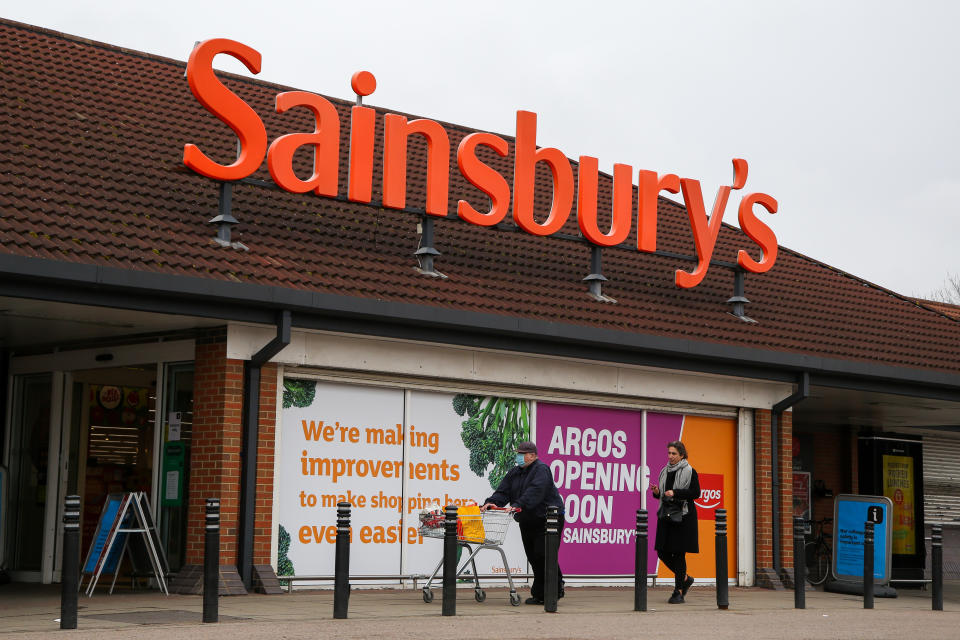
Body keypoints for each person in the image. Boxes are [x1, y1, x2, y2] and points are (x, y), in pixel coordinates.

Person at [482, 440, 565, 604]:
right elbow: (503, 491)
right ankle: (540, 594)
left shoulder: (541, 469)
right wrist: (493, 502)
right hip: (527, 518)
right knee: (533, 556)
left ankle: (553, 591)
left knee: (544, 554)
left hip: (548, 519)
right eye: (518, 453)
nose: (518, 457)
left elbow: (536, 491)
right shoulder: (515, 472)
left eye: (522, 454)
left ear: (532, 455)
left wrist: (518, 505)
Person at [650, 440, 701, 604]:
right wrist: (658, 492)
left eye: (674, 453)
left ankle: (678, 591)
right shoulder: (664, 471)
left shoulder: (690, 471)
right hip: (666, 515)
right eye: (669, 453)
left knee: (679, 553)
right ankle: (685, 578)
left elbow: (696, 493)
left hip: (683, 517)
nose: (670, 456)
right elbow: (664, 496)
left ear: (681, 455)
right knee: (662, 551)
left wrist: (676, 493)